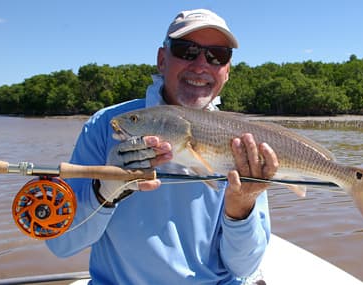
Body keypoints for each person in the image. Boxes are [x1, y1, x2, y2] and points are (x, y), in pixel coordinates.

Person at [46, 9, 279, 285]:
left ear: (226, 72)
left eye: (218, 55)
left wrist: (242, 207)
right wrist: (103, 193)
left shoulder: (242, 140)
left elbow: (243, 267)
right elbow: (62, 245)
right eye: (187, 50)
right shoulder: (105, 126)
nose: (201, 65)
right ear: (161, 60)